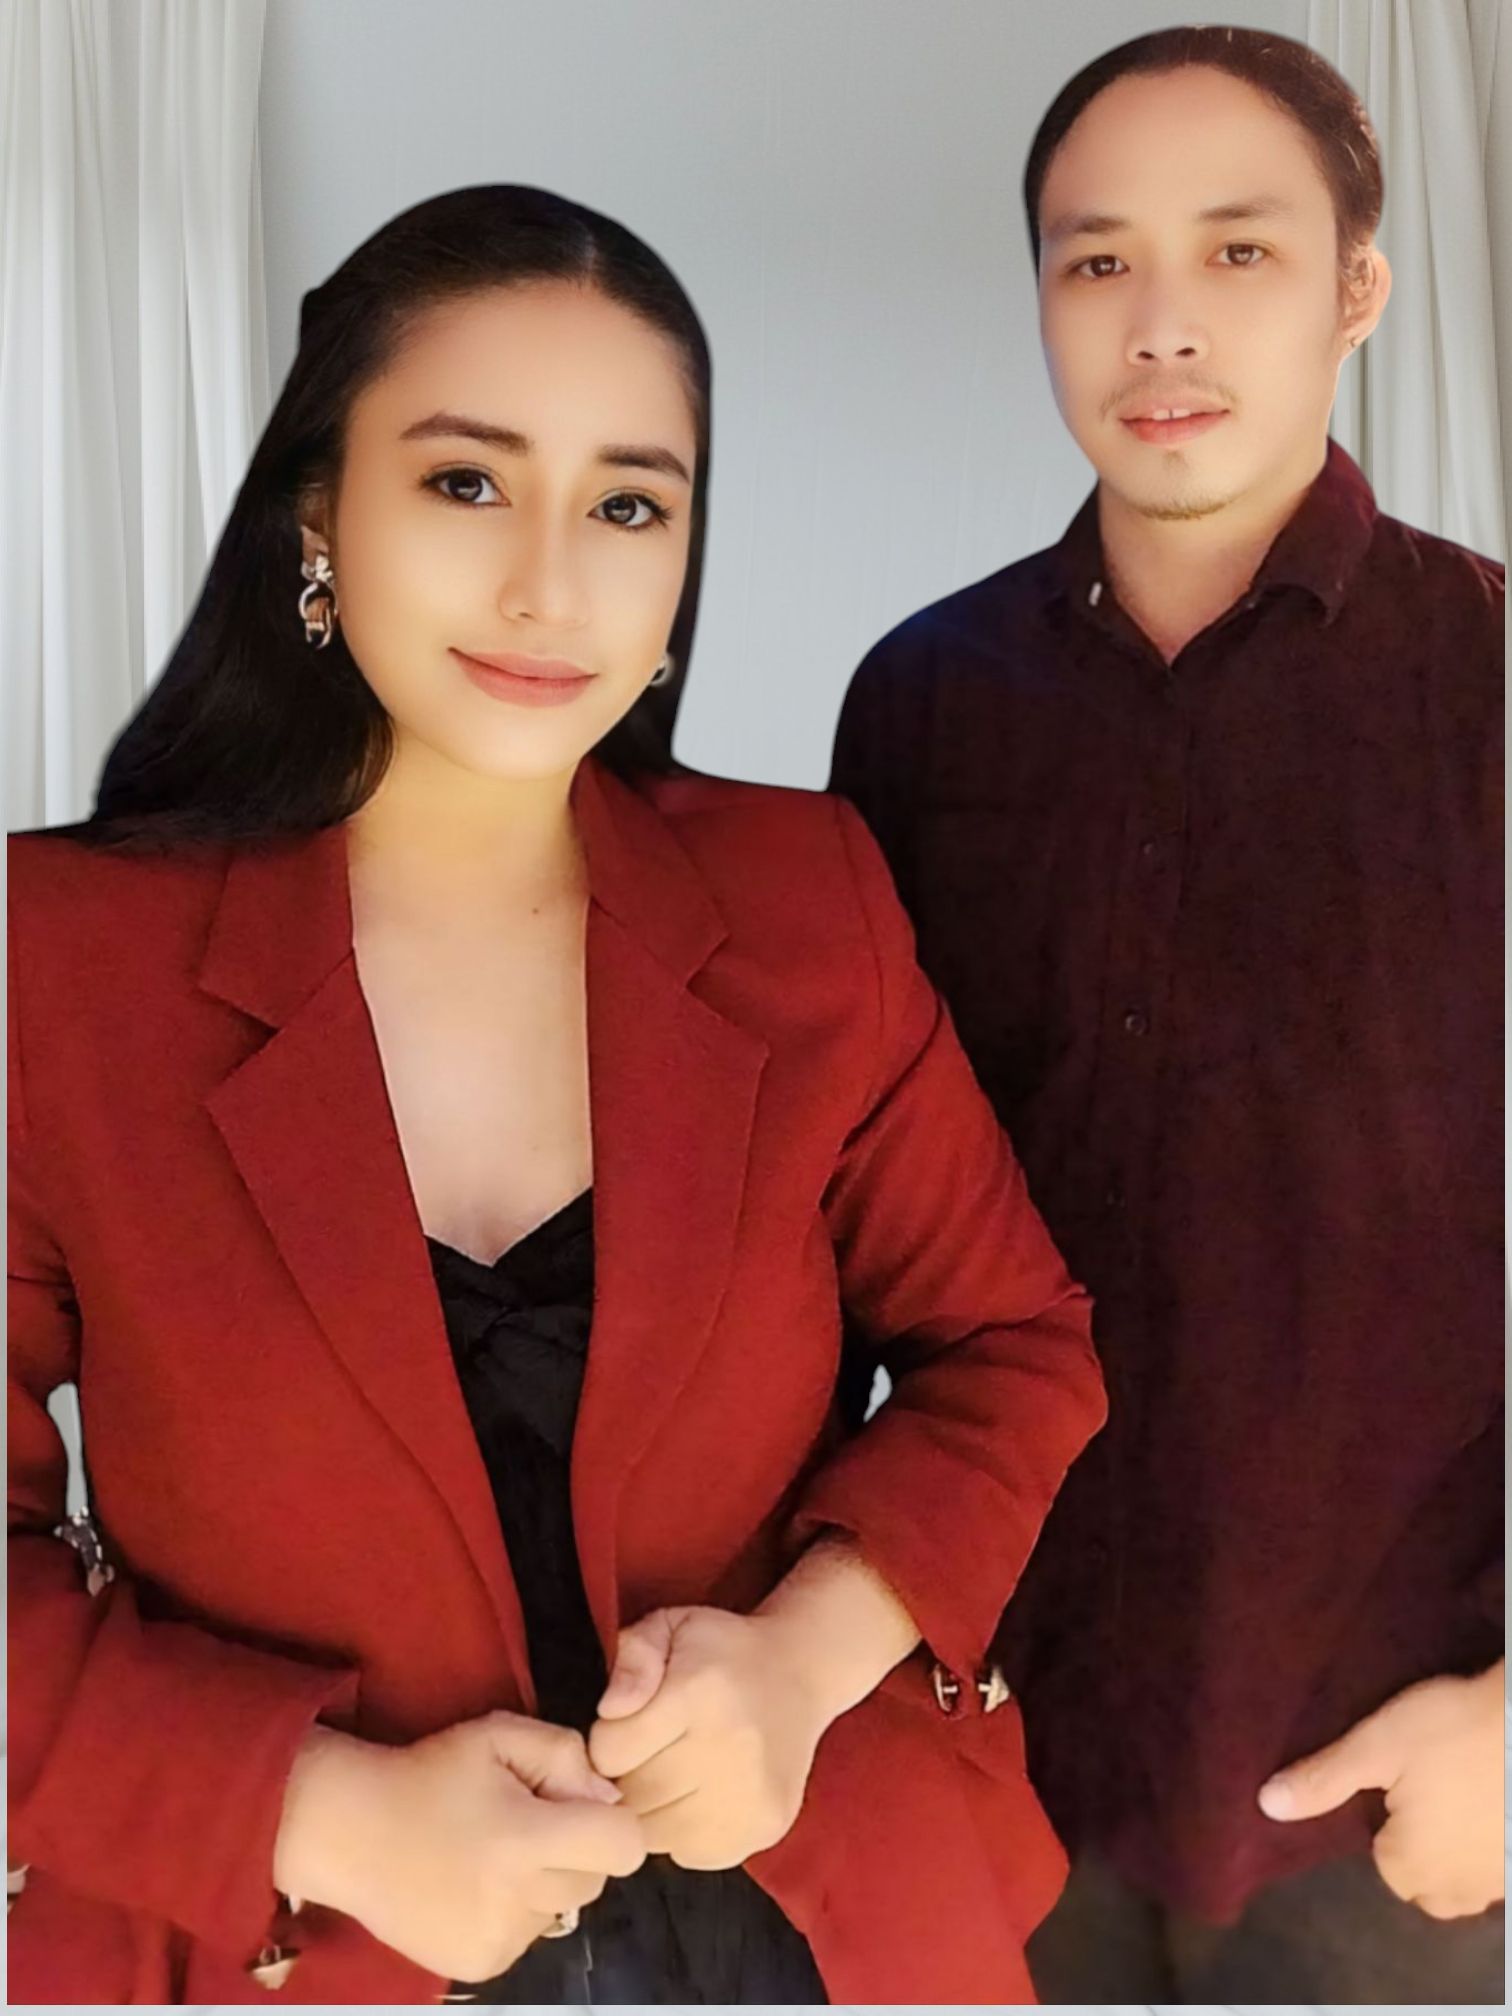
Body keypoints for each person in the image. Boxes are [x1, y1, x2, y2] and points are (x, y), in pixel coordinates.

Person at [7, 183, 1105, 2007]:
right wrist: (320, 1811)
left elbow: (1012, 1345)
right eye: (464, 481)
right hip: (296, 1944)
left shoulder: (802, 897)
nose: (550, 583)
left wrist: (804, 1659)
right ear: (315, 514)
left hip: (828, 1925)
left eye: (626, 504)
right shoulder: (56, 963)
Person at [830, 26, 1503, 2007]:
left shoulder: (1489, 682)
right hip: (983, 1737)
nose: (1163, 322)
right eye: (1099, 259)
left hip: (1387, 1781)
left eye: (1240, 251)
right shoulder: (925, 704)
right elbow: (850, 1220)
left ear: (1358, 290)